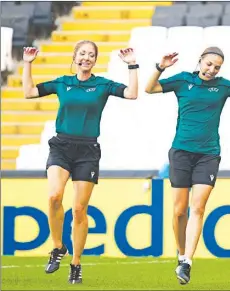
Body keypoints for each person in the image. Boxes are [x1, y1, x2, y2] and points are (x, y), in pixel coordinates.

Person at [22, 41, 139, 284]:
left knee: (78, 209)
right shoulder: (62, 82)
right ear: (75, 56)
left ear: (95, 60)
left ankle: (75, 263)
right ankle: (57, 247)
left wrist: (132, 65)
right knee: (54, 196)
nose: (86, 58)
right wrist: (27, 64)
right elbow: (29, 92)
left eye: (91, 55)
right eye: (83, 53)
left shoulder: (102, 84)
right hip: (61, 146)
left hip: (87, 150)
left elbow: (132, 93)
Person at [145, 46, 230, 284]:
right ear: (200, 61)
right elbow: (149, 89)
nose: (212, 69)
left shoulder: (223, 86)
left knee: (197, 208)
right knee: (179, 211)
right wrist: (160, 67)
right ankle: (181, 254)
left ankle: (187, 261)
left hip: (208, 155)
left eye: (217, 67)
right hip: (180, 152)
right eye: (209, 64)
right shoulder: (182, 81)